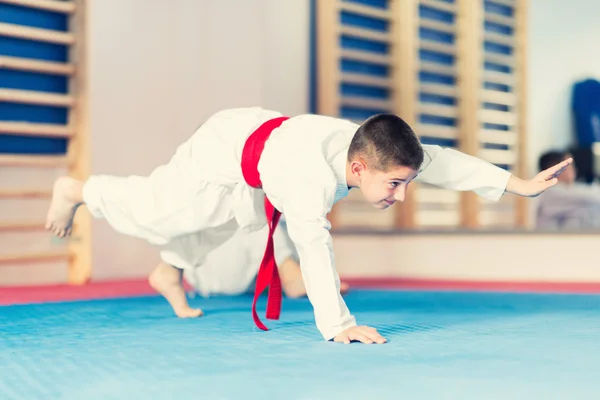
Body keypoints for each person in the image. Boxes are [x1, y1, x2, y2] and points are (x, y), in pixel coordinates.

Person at [45, 107, 571, 344]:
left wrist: (517, 185)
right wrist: (338, 325)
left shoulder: (378, 152)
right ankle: (80, 191)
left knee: (237, 221)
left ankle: (168, 272)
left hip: (265, 145)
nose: (401, 194)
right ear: (359, 169)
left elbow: (443, 161)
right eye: (393, 186)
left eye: (406, 183)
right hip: (224, 146)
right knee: (162, 208)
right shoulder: (308, 183)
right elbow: (316, 248)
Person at [180, 218, 350, 300]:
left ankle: (293, 275)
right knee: (257, 218)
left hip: (255, 277)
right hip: (214, 274)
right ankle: (291, 276)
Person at [536, 150, 600, 230]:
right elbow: (592, 197)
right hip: (548, 241)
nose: (575, 170)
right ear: (556, 168)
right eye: (570, 166)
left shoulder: (567, 191)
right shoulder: (552, 193)